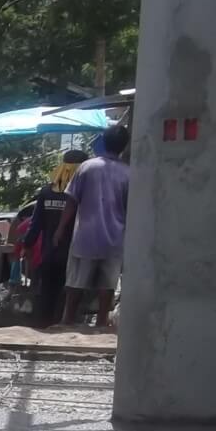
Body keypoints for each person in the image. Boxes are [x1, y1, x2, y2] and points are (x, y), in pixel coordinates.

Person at [58, 125, 131, 330]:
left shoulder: (87, 167)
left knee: (75, 283)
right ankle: (101, 323)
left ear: (103, 143)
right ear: (124, 146)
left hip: (85, 237)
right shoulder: (129, 173)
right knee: (107, 285)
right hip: (115, 239)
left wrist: (60, 229)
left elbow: (71, 201)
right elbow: (130, 209)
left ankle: (68, 320)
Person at [22, 150, 85, 327]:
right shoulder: (83, 194)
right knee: (70, 295)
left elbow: (35, 224)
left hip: (49, 254)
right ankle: (63, 327)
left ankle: (42, 326)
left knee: (47, 292)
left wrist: (27, 245)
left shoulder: (46, 192)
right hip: (74, 256)